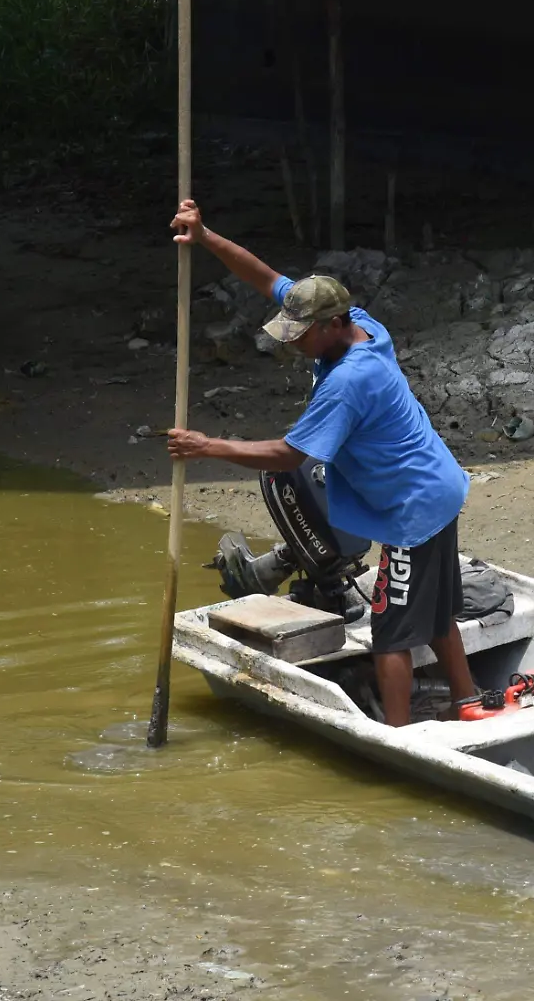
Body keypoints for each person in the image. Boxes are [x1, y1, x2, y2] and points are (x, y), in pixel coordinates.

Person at [163, 200, 478, 725]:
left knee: (391, 631)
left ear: (333, 325)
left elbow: (290, 455)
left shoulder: (350, 380)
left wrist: (204, 447)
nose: (296, 343)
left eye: (304, 334)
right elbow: (264, 276)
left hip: (412, 509)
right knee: (439, 609)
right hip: (437, 484)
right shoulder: (358, 322)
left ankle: (396, 735)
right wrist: (204, 234)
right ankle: (466, 701)